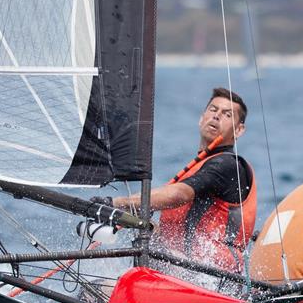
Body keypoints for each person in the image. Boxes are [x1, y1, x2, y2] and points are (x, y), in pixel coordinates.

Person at [106, 87, 257, 274]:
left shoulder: (227, 165)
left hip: (213, 277)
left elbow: (180, 194)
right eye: (213, 109)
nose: (217, 116)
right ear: (201, 118)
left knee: (100, 292)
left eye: (227, 114)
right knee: (94, 290)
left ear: (239, 130)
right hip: (184, 270)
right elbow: (176, 238)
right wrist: (134, 221)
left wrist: (116, 203)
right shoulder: (201, 165)